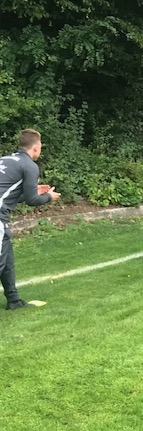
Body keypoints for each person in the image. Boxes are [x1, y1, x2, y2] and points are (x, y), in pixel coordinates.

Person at [0, 129, 61, 309]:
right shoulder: (30, 166)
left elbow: (11, 194)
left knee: (7, 259)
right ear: (35, 148)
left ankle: (14, 300)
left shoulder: (5, 160)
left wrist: (35, 191)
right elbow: (32, 200)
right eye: (40, 147)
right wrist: (49, 197)